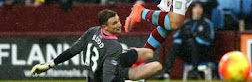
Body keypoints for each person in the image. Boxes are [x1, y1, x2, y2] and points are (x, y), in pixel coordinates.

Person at [31, 9, 163, 81]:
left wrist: (49, 65)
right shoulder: (113, 46)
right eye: (115, 24)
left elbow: (72, 51)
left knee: (149, 53)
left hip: (99, 70)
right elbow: (108, 78)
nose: (119, 25)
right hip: (106, 74)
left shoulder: (92, 31)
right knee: (157, 66)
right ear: (105, 27)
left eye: (118, 21)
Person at [162, 1, 214, 79]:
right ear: (192, 10)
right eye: (195, 7)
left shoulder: (207, 23)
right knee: (176, 44)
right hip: (188, 53)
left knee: (192, 42)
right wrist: (184, 37)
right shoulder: (186, 23)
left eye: (200, 8)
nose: (198, 10)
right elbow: (176, 37)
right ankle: (166, 73)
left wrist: (195, 37)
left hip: (203, 53)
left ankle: (195, 72)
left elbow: (209, 41)